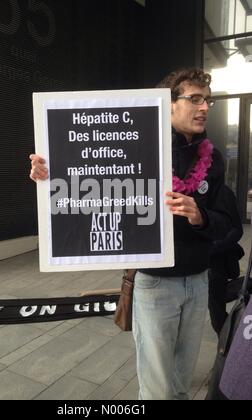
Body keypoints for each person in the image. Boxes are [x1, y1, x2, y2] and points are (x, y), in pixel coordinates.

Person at [29, 68, 232, 400]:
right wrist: (48, 172)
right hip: (155, 284)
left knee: (181, 385)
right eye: (194, 99)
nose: (205, 107)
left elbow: (229, 223)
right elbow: (89, 167)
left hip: (198, 282)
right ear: (167, 104)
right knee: (156, 390)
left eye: (208, 100)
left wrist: (201, 217)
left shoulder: (215, 160)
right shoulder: (136, 146)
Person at [208, 185, 244, 336]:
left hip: (216, 262)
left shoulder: (223, 192)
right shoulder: (187, 190)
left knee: (216, 310)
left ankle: (228, 345)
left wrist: (214, 247)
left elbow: (237, 229)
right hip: (192, 264)